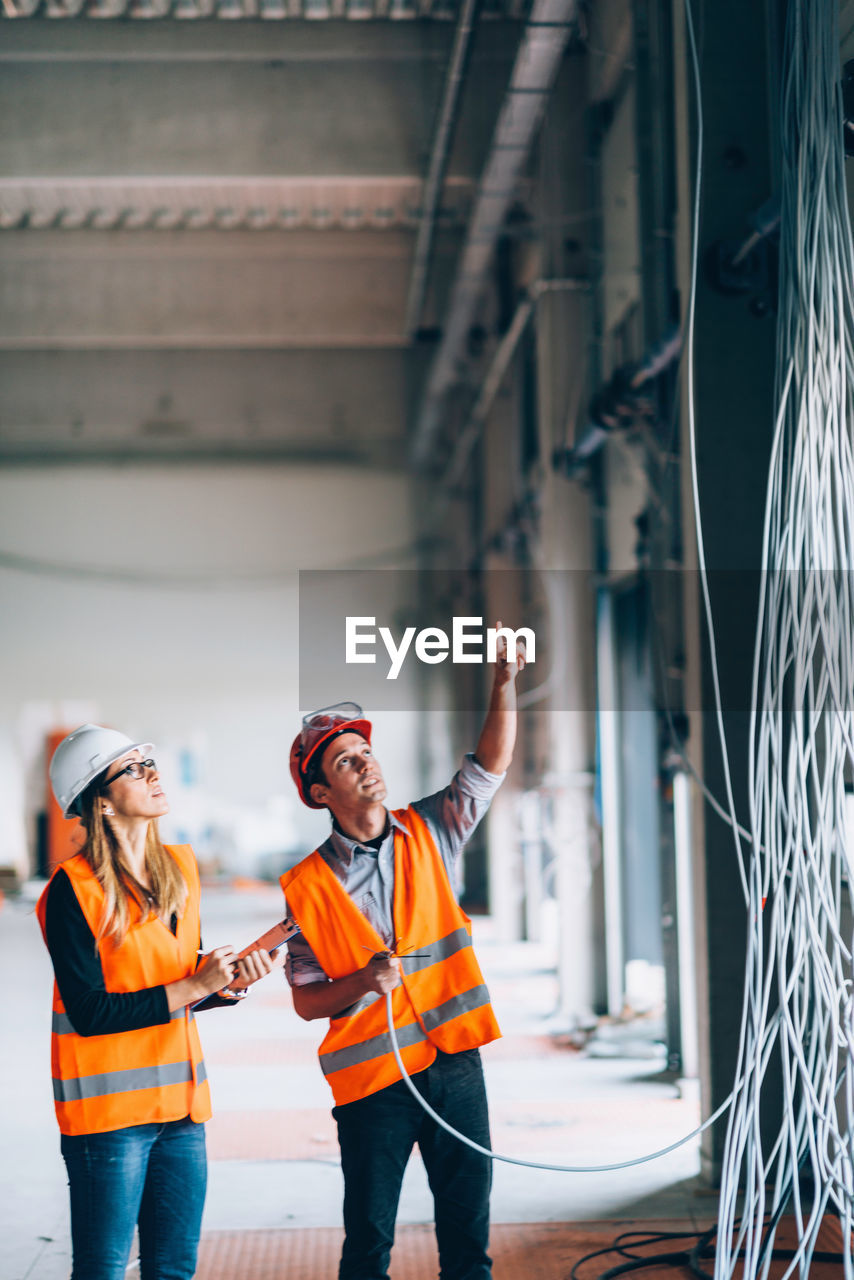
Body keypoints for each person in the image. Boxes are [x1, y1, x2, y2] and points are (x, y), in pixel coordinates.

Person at [282, 627, 525, 1280]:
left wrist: (503, 685)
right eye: (345, 762)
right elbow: (306, 1001)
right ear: (321, 794)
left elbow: (488, 768)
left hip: (455, 1065)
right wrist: (362, 980)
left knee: (468, 1246)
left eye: (366, 751)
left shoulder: (430, 830)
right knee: (368, 1247)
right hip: (372, 1085)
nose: (367, 764)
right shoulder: (307, 886)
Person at [36, 723, 281, 1280]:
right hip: (109, 1122)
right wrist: (195, 986)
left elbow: (175, 983)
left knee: (173, 1269)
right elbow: (91, 1012)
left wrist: (226, 983)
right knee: (102, 1270)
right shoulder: (71, 892)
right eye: (132, 768)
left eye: (149, 762)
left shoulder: (180, 872)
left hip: (181, 1112)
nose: (152, 774)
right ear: (99, 802)